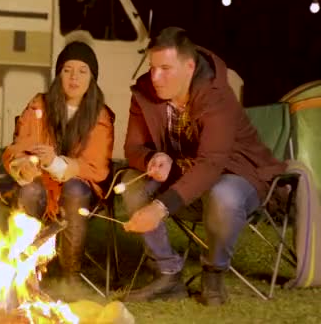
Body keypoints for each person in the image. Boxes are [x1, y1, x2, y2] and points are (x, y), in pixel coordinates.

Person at [121, 27, 286, 305]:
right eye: (152, 68)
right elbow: (132, 148)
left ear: (189, 66)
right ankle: (167, 271)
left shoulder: (217, 95)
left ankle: (213, 271)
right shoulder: (144, 93)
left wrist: (160, 207)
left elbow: (212, 163)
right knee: (133, 184)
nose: (156, 77)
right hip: (183, 176)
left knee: (224, 195)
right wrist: (152, 158)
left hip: (236, 173)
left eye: (165, 68)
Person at [2, 41, 115, 283]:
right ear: (58, 74)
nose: (74, 78)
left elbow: (94, 166)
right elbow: (20, 146)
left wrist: (56, 163)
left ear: (92, 77)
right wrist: (23, 164)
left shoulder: (100, 116)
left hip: (81, 190)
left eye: (82, 71)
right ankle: (25, 270)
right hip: (44, 186)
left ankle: (70, 273)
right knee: (30, 189)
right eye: (67, 70)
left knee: (74, 189)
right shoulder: (39, 106)